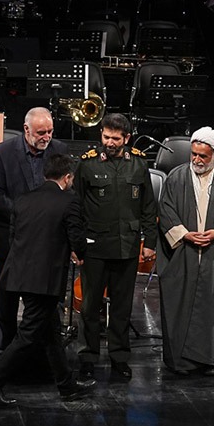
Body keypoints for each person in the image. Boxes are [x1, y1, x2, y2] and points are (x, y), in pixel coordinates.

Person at [0, 154, 96, 407]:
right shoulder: (69, 201)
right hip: (44, 280)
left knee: (51, 332)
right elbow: (76, 238)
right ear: (68, 177)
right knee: (27, 335)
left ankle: (66, 386)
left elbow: (14, 237)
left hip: (20, 274)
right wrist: (79, 252)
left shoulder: (23, 200)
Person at [73, 112, 158, 380]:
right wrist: (75, 243)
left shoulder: (139, 164)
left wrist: (150, 242)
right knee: (90, 307)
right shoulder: (87, 164)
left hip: (127, 246)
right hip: (95, 247)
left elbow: (148, 206)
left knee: (122, 307)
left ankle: (119, 357)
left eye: (115, 138)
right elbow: (75, 206)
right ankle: (88, 357)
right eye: (106, 137)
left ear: (127, 138)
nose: (109, 142)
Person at [157, 125, 214, 376]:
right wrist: (184, 234)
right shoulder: (176, 177)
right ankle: (180, 362)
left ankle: (211, 361)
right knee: (179, 306)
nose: (196, 159)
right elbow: (166, 210)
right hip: (183, 253)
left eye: (202, 156)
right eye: (193, 154)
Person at [0, 106, 68, 353]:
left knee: (47, 306)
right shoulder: (2, 153)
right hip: (12, 240)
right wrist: (27, 215)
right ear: (26, 129)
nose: (46, 137)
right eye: (41, 132)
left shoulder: (60, 150)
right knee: (7, 304)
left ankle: (44, 358)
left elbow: (67, 192)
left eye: (50, 131)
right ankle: (3, 357)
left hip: (48, 242)